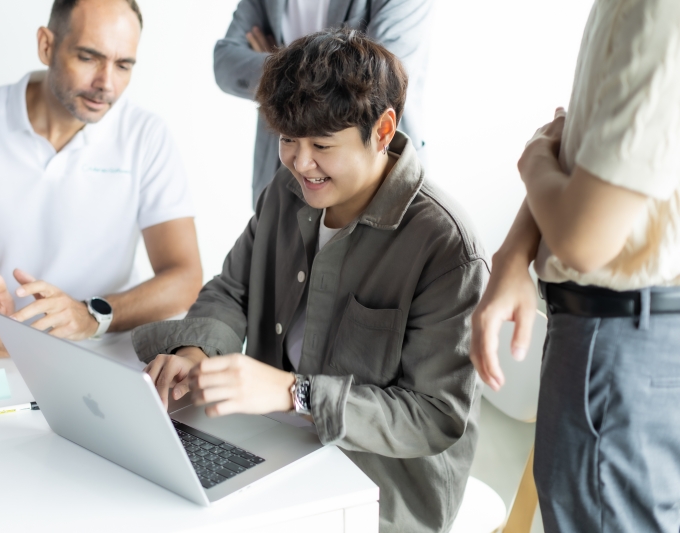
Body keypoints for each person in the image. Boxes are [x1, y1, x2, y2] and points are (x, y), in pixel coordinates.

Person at [135, 30, 488, 532]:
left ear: (383, 130)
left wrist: (293, 393)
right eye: (287, 140)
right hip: (273, 450)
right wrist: (196, 351)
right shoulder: (286, 190)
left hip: (378, 495)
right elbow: (233, 290)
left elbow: (434, 416)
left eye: (322, 145)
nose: (301, 164)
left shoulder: (445, 245)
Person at [470, 2, 680, 531]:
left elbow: (584, 236)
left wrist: (533, 156)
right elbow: (587, 162)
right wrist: (514, 251)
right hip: (624, 335)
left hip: (623, 341)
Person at [0, 0, 202, 357]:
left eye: (123, 65)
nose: (106, 84)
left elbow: (185, 277)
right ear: (46, 46)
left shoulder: (145, 136)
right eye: (88, 58)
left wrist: (91, 316)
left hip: (102, 349)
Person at [213, 0, 434, 207]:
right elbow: (224, 63)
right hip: (276, 178)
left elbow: (381, 81)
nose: (302, 163)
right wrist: (298, 68)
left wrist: (278, 66)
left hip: (371, 180)